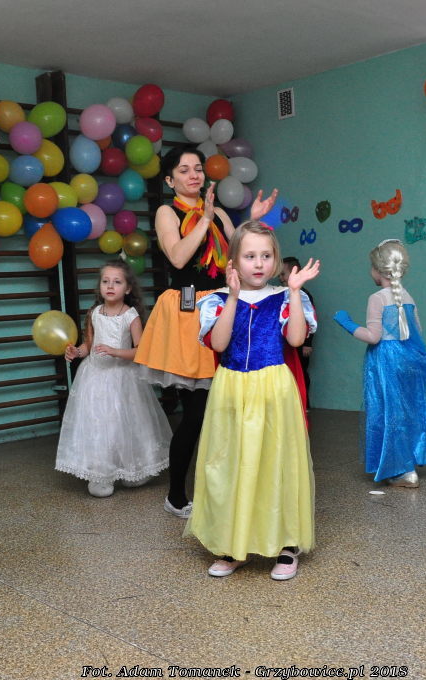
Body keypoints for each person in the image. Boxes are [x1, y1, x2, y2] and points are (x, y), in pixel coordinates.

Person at [133, 147, 276, 518]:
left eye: (197, 168)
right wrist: (204, 219)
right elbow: (178, 257)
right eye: (183, 170)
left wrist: (253, 222)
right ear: (170, 180)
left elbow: (242, 258)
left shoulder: (221, 213)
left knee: (228, 408)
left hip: (224, 309)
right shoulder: (168, 212)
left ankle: (226, 489)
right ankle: (176, 495)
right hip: (188, 315)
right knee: (196, 412)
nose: (193, 175)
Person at [184, 221, 319, 581]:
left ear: (275, 260)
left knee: (277, 462)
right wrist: (232, 297)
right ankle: (234, 544)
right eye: (249, 256)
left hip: (273, 388)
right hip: (232, 389)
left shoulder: (286, 296)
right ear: (234, 262)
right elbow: (218, 344)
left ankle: (286, 544)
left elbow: (295, 340)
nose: (259, 263)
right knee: (230, 464)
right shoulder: (216, 299)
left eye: (266, 255)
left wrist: (294, 293)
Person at [333, 239, 426, 488]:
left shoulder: (377, 298)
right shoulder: (407, 295)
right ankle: (409, 463)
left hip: (385, 362)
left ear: (377, 270)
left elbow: (374, 337)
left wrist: (347, 323)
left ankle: (399, 470)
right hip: (407, 359)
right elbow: (417, 331)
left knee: (387, 413)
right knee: (407, 411)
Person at [55, 261, 171, 497]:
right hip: (94, 378)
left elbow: (140, 351)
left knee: (123, 424)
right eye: (105, 281)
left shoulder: (130, 316)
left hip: (122, 378)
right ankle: (101, 472)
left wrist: (116, 351)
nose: (110, 286)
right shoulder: (94, 313)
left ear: (127, 288)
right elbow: (89, 345)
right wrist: (77, 351)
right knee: (99, 424)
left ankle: (132, 468)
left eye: (117, 282)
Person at [281, 256, 315, 410]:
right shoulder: (282, 294)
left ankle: (304, 405)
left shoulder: (304, 295)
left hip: (301, 344)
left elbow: (310, 321)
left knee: (301, 372)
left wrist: (308, 343)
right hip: (287, 343)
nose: (281, 278)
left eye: (283, 274)